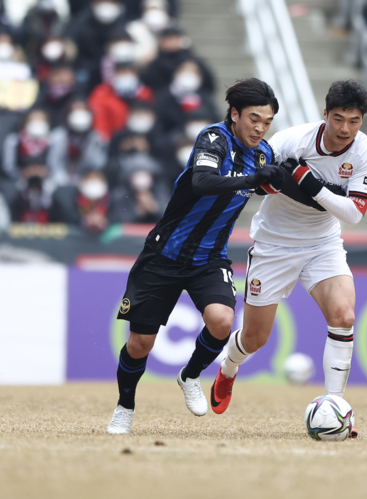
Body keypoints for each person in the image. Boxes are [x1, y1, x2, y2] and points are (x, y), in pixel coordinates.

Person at [106, 78, 285, 435]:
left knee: (222, 321)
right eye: (254, 118)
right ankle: (125, 406)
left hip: (210, 258)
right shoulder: (213, 138)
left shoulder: (264, 153)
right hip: (164, 254)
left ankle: (189, 376)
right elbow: (203, 182)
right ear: (234, 114)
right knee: (141, 343)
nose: (260, 127)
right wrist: (252, 178)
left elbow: (274, 183)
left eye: (267, 121)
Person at [209, 80, 367, 437]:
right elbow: (261, 182)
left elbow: (353, 214)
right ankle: (228, 369)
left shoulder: (366, 152)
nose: (345, 129)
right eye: (338, 119)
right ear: (324, 116)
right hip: (274, 245)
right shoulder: (291, 140)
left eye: (354, 120)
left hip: (323, 243)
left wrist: (308, 182)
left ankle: (335, 408)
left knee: (344, 315)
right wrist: (285, 181)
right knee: (256, 338)